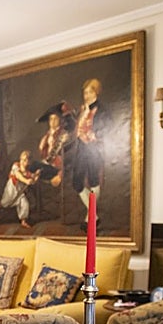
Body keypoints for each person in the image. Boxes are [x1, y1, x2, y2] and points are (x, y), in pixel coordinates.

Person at [69, 79, 106, 231]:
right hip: (81, 148)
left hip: (94, 148)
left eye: (90, 92)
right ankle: (94, 216)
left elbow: (107, 128)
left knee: (93, 181)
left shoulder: (102, 110)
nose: (87, 95)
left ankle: (89, 218)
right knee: (77, 182)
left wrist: (93, 135)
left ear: (96, 92)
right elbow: (77, 128)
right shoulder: (82, 109)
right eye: (85, 92)